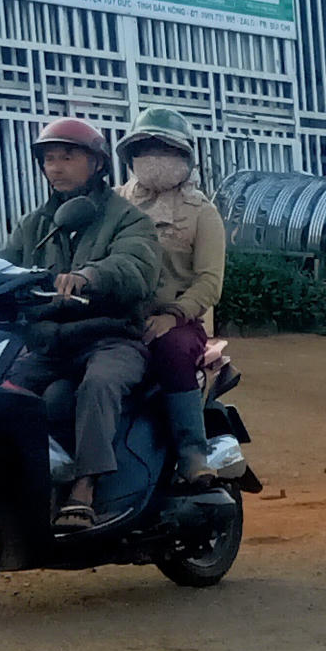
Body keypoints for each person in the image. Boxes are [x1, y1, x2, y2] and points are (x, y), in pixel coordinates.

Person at [5, 115, 166, 529]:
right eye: (48, 159)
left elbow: (135, 265)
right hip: (50, 343)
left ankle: (85, 488)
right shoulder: (35, 224)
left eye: (67, 157)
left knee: (99, 383)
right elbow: (2, 262)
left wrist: (90, 276)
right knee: (1, 388)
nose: (55, 168)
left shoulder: (128, 218)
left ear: (96, 163)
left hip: (111, 338)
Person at [116, 108, 229, 481]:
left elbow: (209, 282)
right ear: (131, 155)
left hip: (176, 322)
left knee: (173, 351)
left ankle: (192, 452)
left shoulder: (202, 213)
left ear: (185, 157)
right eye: (145, 148)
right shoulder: (113, 204)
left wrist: (172, 316)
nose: (154, 158)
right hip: (117, 317)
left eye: (165, 149)